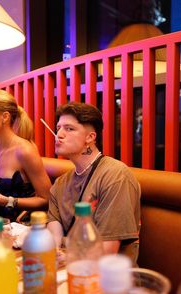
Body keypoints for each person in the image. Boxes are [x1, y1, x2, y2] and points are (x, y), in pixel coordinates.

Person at [47, 102, 141, 264]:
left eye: (69, 129)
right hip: (68, 268)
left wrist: (67, 256)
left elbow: (107, 252)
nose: (59, 134)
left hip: (110, 279)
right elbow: (54, 233)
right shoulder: (60, 183)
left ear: (90, 137)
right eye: (58, 128)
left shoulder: (115, 176)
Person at [0, 89, 52, 221]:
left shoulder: (24, 150)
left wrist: (6, 201)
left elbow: (47, 200)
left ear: (5, 116)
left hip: (21, 228)